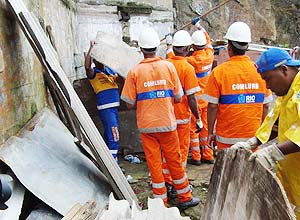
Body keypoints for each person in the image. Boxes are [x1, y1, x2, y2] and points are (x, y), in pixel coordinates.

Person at [121, 27, 200, 209]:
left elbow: (129, 104)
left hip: (147, 126)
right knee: (175, 161)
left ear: (141, 49)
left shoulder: (134, 72)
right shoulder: (169, 67)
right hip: (168, 124)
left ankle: (160, 202)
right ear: (158, 47)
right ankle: (185, 198)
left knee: (154, 164)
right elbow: (179, 97)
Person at [231, 48, 300, 218]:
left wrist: (273, 152)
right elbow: (274, 123)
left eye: (267, 79)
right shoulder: (286, 92)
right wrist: (253, 142)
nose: (267, 86)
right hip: (293, 171)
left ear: (284, 69)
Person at [202, 21, 273, 150]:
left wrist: (210, 132)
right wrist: (262, 133)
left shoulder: (219, 72)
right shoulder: (259, 70)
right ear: (247, 47)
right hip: (252, 138)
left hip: (226, 138)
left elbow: (212, 106)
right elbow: (266, 105)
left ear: (229, 47)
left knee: (226, 170)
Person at [162, 30, 201, 197]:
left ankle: (166, 182)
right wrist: (198, 119)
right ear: (187, 49)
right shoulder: (187, 68)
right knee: (181, 154)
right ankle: (180, 186)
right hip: (182, 119)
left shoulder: (165, 64)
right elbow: (191, 98)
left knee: (167, 153)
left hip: (166, 116)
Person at [85, 41, 121, 162]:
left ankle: (107, 162)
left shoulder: (110, 72)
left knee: (108, 136)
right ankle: (113, 164)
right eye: (98, 58)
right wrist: (91, 48)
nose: (101, 60)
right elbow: (87, 67)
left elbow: (122, 77)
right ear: (95, 60)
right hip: (106, 109)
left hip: (114, 109)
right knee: (114, 137)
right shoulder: (94, 73)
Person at [186, 17, 215, 165]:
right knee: (205, 128)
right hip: (207, 98)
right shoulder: (210, 54)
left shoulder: (192, 60)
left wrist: (170, 45)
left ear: (193, 46)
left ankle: (196, 157)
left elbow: (175, 57)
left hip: (195, 100)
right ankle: (208, 154)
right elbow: (208, 40)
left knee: (193, 129)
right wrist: (199, 26)